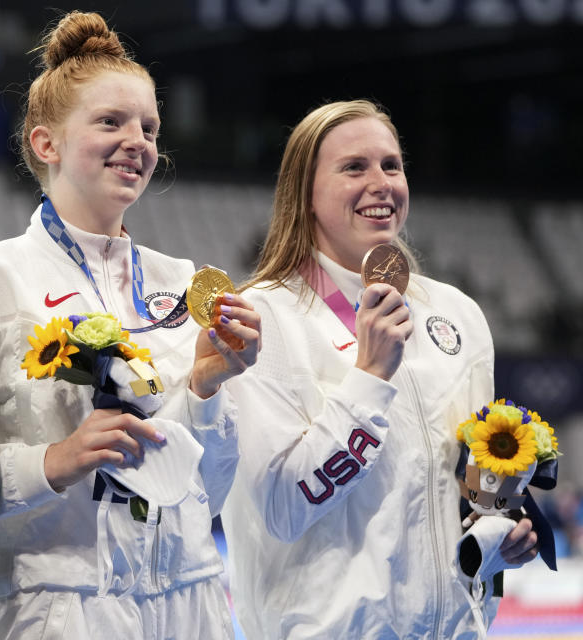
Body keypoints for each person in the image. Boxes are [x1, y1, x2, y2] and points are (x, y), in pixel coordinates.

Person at [0, 11, 261, 640]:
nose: (138, 140)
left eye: (149, 126)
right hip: (58, 606)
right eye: (110, 122)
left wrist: (204, 389)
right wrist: (54, 462)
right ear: (46, 143)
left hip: (191, 601)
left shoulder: (182, 283)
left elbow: (211, 494)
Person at [220, 99, 540, 639]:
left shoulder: (456, 314)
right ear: (306, 193)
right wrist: (368, 377)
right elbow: (280, 509)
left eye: (391, 165)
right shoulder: (260, 320)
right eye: (354, 167)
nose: (381, 182)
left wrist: (498, 526)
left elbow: (467, 481)